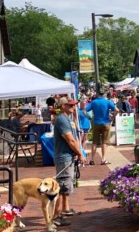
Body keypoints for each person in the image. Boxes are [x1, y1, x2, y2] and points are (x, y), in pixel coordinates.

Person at [52, 97, 86, 227]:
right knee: (61, 187)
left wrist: (78, 152)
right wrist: (80, 154)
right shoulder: (61, 120)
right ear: (63, 106)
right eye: (70, 105)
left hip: (69, 157)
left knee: (67, 185)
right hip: (64, 157)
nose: (73, 107)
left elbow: (75, 138)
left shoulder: (68, 119)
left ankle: (65, 209)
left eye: (74, 105)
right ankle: (56, 216)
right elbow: (70, 140)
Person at [84, 91, 119, 165]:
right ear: (104, 95)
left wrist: (89, 118)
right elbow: (117, 110)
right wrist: (112, 118)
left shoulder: (94, 102)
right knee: (104, 142)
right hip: (106, 123)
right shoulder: (107, 101)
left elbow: (84, 110)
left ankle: (92, 160)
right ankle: (103, 159)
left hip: (96, 123)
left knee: (94, 142)